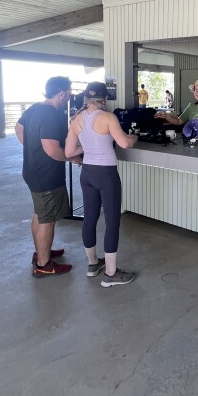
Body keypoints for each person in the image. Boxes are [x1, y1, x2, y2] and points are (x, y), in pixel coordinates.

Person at [65, 81, 139, 286]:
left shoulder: (77, 119)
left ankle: (92, 264)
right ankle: (111, 273)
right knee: (112, 221)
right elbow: (123, 143)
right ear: (104, 99)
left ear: (86, 99)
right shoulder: (108, 117)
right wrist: (133, 137)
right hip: (106, 174)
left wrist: (88, 148)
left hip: (87, 173)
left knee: (89, 218)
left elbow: (69, 152)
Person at [15, 77, 78, 277]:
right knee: (47, 220)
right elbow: (52, 150)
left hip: (32, 171)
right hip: (47, 174)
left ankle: (41, 253)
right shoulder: (51, 114)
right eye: (69, 94)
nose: (69, 98)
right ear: (62, 94)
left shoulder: (34, 109)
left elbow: (18, 128)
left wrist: (33, 149)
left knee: (40, 214)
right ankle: (44, 264)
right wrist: (73, 157)